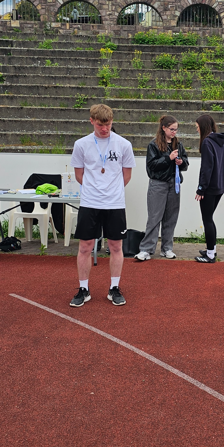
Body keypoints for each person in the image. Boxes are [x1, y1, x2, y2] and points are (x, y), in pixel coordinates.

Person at [69, 103, 135, 307]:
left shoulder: (124, 144)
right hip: (90, 202)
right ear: (92, 121)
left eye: (108, 124)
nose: (104, 129)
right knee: (85, 246)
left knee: (116, 246)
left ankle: (114, 287)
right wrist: (95, 190)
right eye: (100, 125)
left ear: (112, 121)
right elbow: (79, 175)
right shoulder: (81, 144)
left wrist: (110, 191)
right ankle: (83, 289)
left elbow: (126, 176)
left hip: (115, 203)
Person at [136, 114, 189, 261]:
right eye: (172, 129)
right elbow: (151, 166)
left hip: (174, 183)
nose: (174, 132)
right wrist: (168, 158)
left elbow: (185, 163)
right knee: (154, 217)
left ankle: (167, 248)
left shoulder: (178, 144)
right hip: (158, 184)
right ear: (164, 128)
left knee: (171, 217)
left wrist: (181, 162)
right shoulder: (153, 145)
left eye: (176, 129)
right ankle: (146, 249)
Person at [194, 114, 224, 263]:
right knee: (209, 219)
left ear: (203, 126)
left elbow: (206, 168)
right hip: (219, 186)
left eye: (197, 127)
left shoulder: (207, 142)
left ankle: (210, 254)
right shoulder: (219, 141)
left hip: (210, 188)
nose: (197, 130)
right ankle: (211, 249)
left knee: (207, 219)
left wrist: (201, 188)